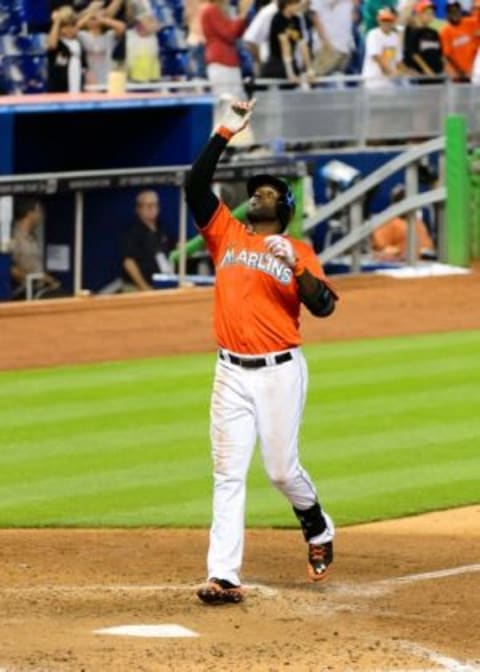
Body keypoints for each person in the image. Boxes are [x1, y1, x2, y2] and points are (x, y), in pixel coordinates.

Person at [185, 99, 338, 605]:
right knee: (227, 473)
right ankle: (223, 574)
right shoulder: (224, 232)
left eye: (270, 193)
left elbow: (323, 307)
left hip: (279, 373)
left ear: (286, 209)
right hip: (229, 371)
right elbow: (194, 184)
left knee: (279, 470)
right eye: (255, 193)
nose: (260, 197)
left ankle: (314, 520)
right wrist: (226, 131)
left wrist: (293, 264)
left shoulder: (301, 252)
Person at [10, 198, 65, 300]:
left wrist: (48, 280)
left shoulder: (32, 236)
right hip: (22, 293)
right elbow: (10, 268)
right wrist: (32, 278)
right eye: (39, 212)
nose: (40, 216)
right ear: (30, 213)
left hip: (38, 290)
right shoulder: (15, 237)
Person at [121, 190, 175, 291]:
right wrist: (145, 288)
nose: (151, 208)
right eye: (147, 205)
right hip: (138, 288)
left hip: (164, 285)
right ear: (138, 209)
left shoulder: (163, 229)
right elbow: (129, 263)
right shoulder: (132, 232)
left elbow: (175, 250)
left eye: (154, 205)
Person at [371, 184, 436, 261]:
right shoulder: (386, 222)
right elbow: (380, 250)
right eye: (402, 200)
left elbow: (428, 247)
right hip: (399, 264)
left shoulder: (418, 222)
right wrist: (400, 253)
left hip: (424, 263)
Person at [47, 5, 87, 93]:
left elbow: (84, 67)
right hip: (59, 91)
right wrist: (57, 20)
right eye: (65, 26)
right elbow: (51, 45)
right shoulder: (58, 43)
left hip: (77, 86)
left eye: (72, 26)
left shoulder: (78, 44)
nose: (69, 29)